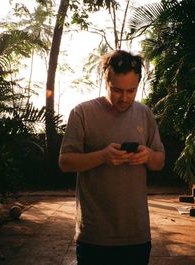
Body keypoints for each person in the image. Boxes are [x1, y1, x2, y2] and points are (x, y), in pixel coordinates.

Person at [59, 50, 165, 265]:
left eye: (131, 90)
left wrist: (148, 155)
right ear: (105, 80)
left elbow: (159, 162)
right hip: (95, 235)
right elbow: (65, 162)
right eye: (117, 90)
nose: (125, 98)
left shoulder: (145, 114)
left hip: (136, 234)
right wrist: (102, 156)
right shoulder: (82, 113)